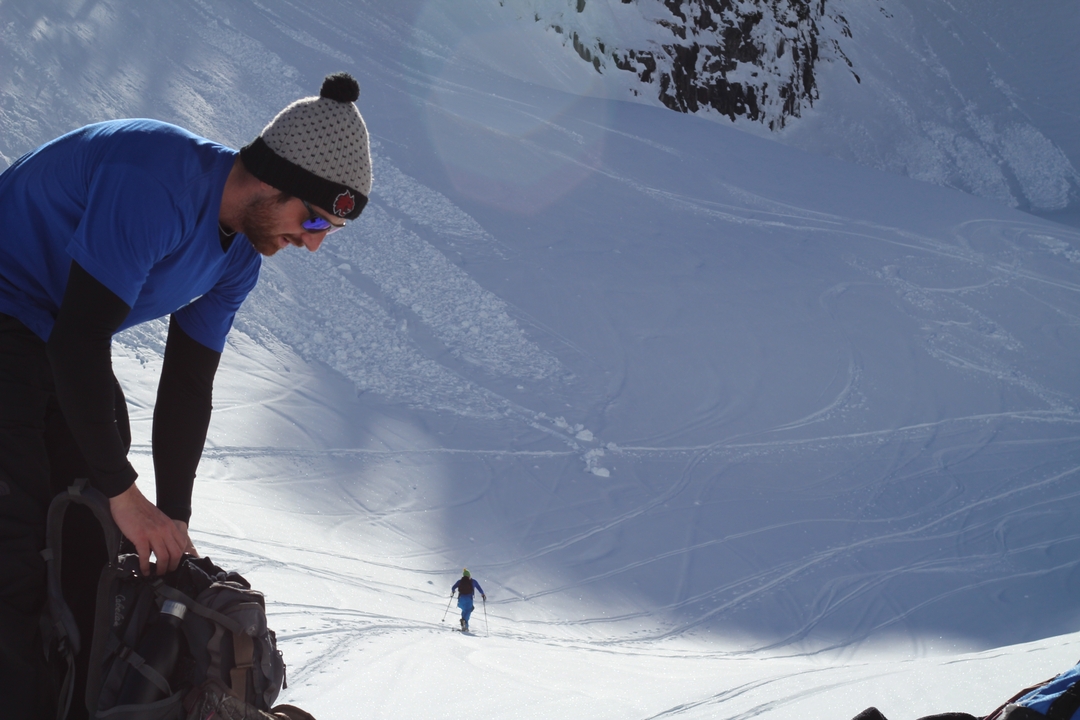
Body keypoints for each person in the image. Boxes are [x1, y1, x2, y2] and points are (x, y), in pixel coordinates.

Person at [0, 72, 372, 719]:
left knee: (91, 544)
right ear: (273, 179)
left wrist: (172, 517)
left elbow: (188, 383)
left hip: (52, 336)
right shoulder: (157, 182)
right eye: (314, 219)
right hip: (25, 323)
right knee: (16, 550)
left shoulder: (239, 258)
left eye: (329, 231)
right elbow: (78, 342)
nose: (313, 242)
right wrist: (125, 493)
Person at [451, 568, 486, 632]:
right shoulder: (473, 581)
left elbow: (453, 587)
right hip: (469, 599)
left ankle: (463, 625)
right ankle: (465, 624)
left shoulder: (460, 581)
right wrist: (483, 594)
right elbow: (479, 588)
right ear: (469, 575)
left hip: (461, 599)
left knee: (464, 610)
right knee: (468, 610)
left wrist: (453, 591)